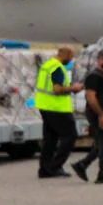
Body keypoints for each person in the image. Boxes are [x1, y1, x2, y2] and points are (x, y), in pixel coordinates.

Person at [71, 47, 103, 183]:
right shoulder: (94, 76)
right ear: (99, 60)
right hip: (99, 114)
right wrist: (101, 115)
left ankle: (82, 165)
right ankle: (102, 174)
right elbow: (90, 97)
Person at [34, 46, 83, 179]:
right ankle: (54, 167)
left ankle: (44, 169)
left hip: (44, 106)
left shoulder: (47, 65)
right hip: (57, 108)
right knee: (70, 135)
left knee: (50, 139)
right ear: (64, 54)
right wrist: (74, 88)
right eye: (71, 56)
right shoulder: (57, 68)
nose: (72, 59)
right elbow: (57, 89)